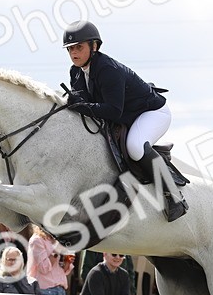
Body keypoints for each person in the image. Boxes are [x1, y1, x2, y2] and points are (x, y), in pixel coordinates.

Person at [61, 19, 187, 222]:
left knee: (135, 147)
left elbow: (112, 111)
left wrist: (80, 104)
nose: (74, 53)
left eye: (79, 47)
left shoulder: (108, 69)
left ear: (94, 46)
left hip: (152, 113)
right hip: (127, 116)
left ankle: (174, 196)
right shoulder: (75, 72)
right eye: (70, 49)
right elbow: (86, 106)